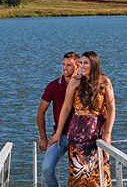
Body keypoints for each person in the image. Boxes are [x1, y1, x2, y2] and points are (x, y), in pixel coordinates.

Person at [49, 51, 115, 187]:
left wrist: (108, 133)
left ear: (94, 64)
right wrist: (58, 133)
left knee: (100, 172)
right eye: (81, 63)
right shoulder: (75, 82)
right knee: (78, 174)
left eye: (86, 63)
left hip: (97, 132)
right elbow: (66, 108)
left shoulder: (104, 81)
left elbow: (111, 108)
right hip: (77, 133)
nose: (82, 66)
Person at [36, 51, 78, 187]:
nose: (65, 68)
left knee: (79, 172)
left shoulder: (83, 84)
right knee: (46, 168)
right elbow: (41, 112)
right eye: (63, 65)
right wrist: (43, 138)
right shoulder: (53, 86)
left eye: (69, 65)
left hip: (79, 136)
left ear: (77, 66)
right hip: (60, 136)